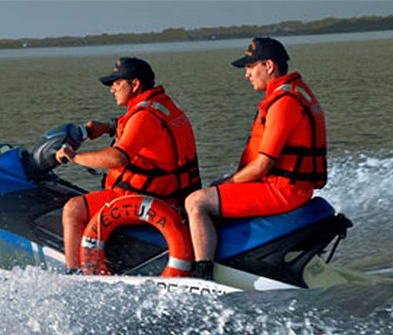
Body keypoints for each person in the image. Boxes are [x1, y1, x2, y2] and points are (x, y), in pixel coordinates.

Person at [184, 37, 327, 280]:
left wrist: (227, 183)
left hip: (282, 191)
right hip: (291, 186)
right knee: (214, 191)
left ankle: (203, 274)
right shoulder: (296, 93)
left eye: (251, 68)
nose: (247, 75)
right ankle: (234, 258)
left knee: (196, 202)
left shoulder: (284, 103)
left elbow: (263, 164)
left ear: (269, 66)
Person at [55, 57, 201, 273]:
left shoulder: (144, 116)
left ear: (135, 84)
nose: (112, 89)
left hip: (151, 200)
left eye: (117, 83)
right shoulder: (163, 105)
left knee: (73, 208)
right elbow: (144, 133)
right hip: (175, 195)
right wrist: (107, 128)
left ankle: (74, 274)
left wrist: (73, 157)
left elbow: (117, 158)